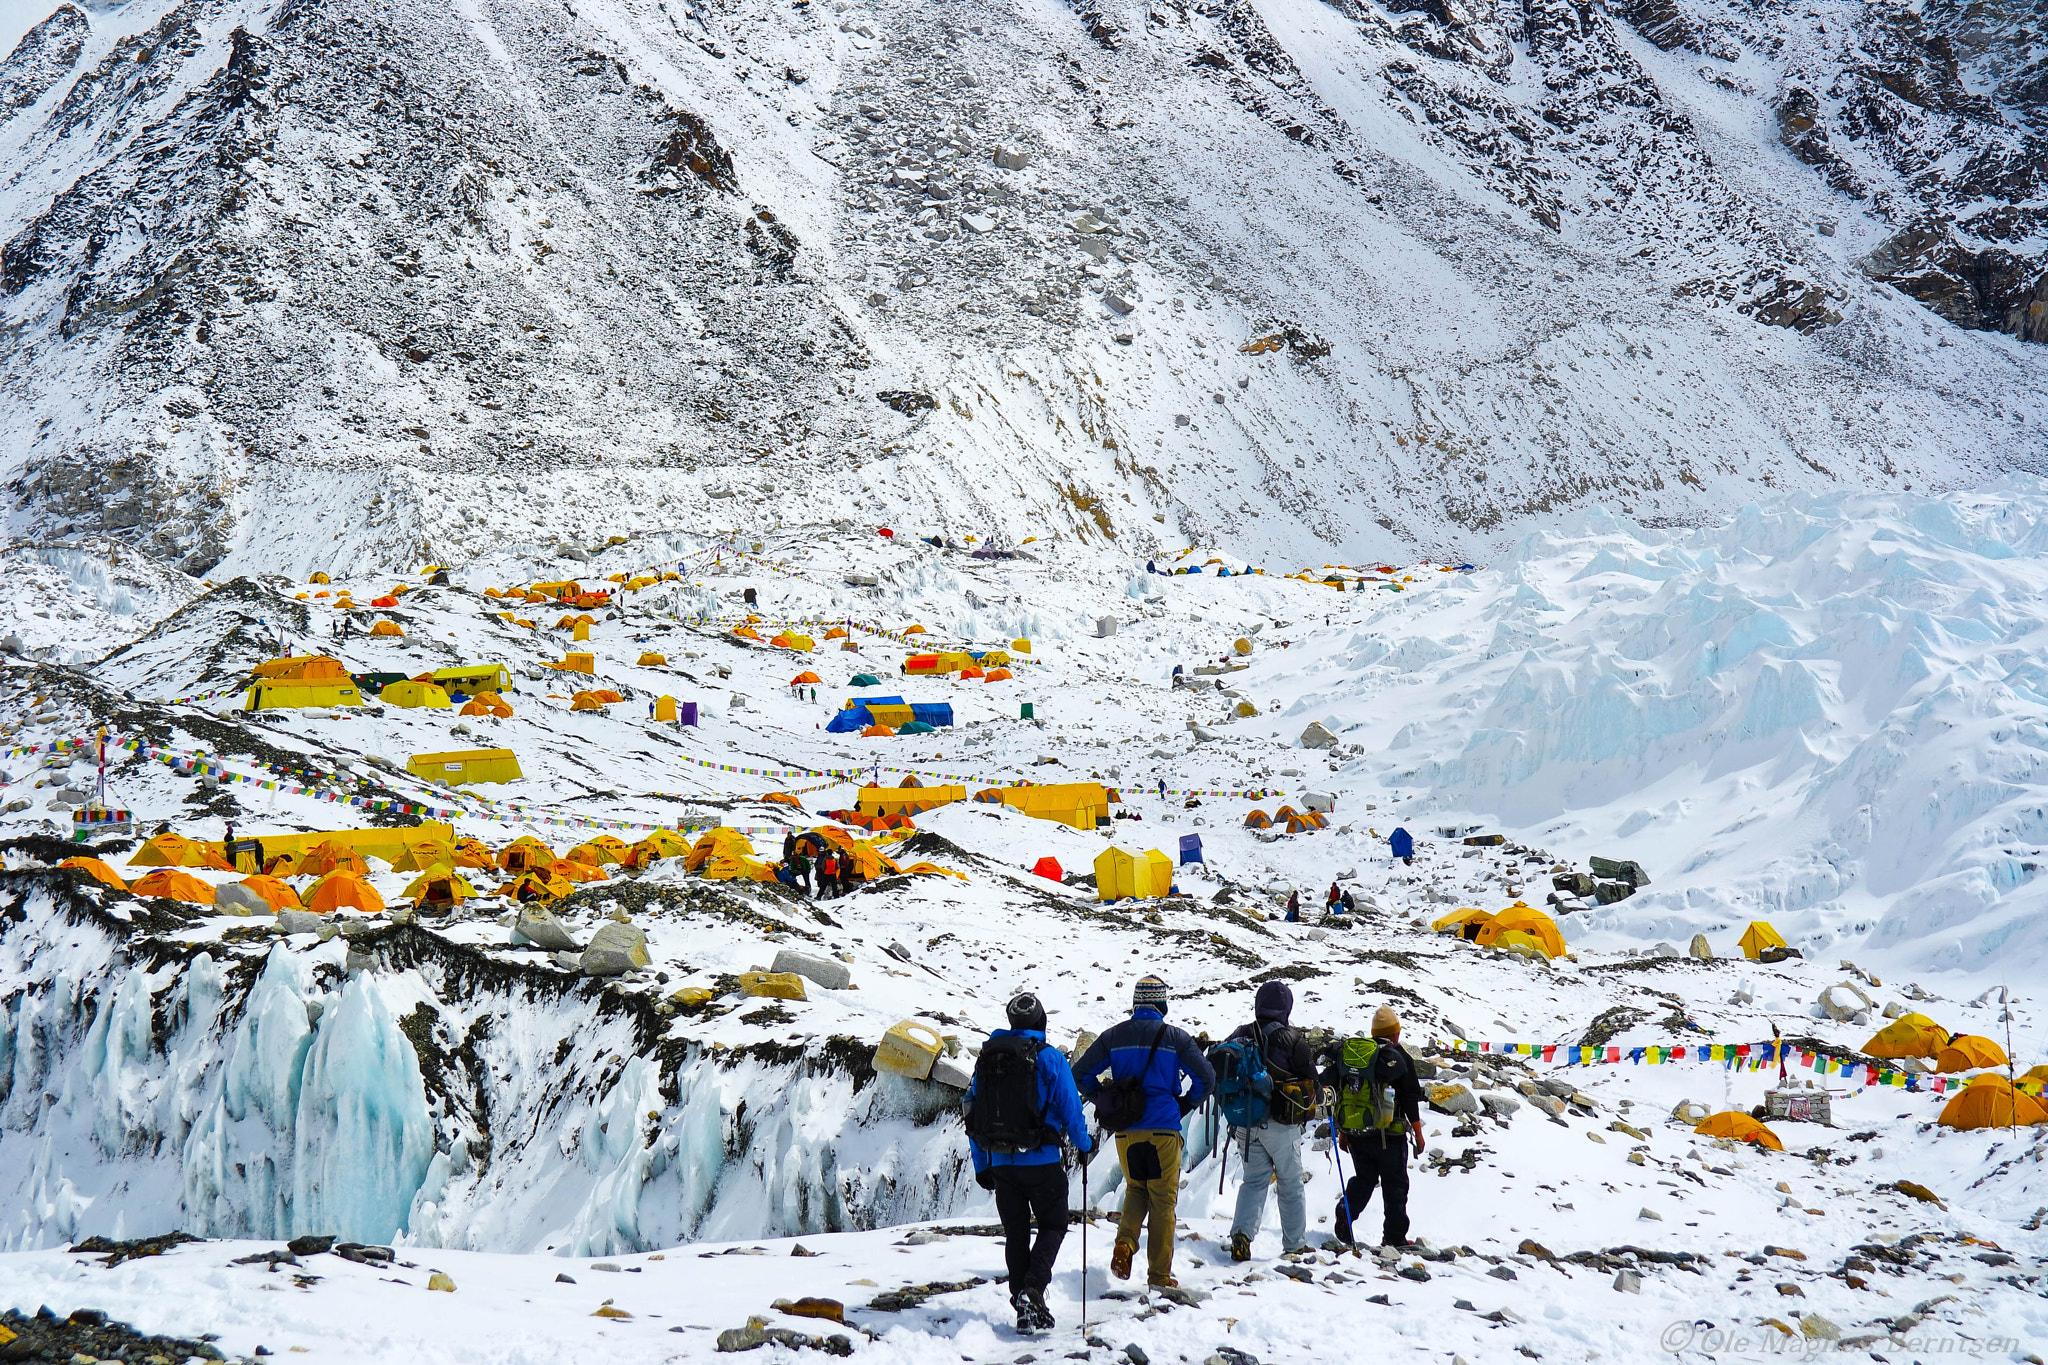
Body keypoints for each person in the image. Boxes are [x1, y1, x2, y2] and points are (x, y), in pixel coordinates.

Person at [1073, 976, 1214, 1289]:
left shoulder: (1113, 1036)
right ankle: (1159, 1275)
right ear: (1161, 1004)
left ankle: (1124, 1245)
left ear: (1136, 1004)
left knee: (1137, 1190)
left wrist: (1103, 1097)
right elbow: (1206, 1077)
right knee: (1163, 1202)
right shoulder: (1175, 1037)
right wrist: (1185, 1105)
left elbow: (1079, 1074)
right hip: (1163, 1129)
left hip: (1127, 1133)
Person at [967, 993, 1093, 1333]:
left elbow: (972, 1111)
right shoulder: (1049, 1058)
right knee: (1053, 1225)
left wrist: (983, 1164)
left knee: (1016, 1234)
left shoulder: (989, 1059)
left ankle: (1023, 1302)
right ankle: (1033, 1290)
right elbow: (1070, 1108)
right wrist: (1084, 1144)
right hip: (1042, 1161)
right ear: (1041, 1023)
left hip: (1001, 1163)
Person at [1226, 982, 1319, 1261]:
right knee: (1290, 1183)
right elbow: (1312, 1080)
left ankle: (1241, 1235)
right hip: (1281, 1124)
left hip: (1246, 1122)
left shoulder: (1240, 1034)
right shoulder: (1292, 1039)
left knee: (1253, 1181)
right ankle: (1295, 1244)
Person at [1322, 1006, 1425, 1249]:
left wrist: (1344, 1133)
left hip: (1358, 1132)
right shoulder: (1398, 1058)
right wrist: (1418, 1133)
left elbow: (1346, 1093)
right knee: (1395, 1185)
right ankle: (1394, 1237)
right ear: (1395, 1033)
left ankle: (1345, 1214)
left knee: (1365, 1179)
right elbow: (1410, 1097)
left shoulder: (1358, 1057)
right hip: (1390, 1135)